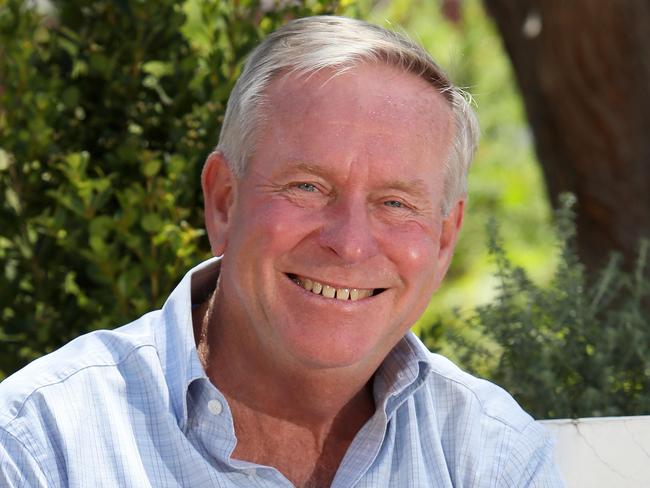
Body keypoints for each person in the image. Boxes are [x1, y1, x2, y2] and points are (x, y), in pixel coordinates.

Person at [0, 15, 563, 488]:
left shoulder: (493, 457)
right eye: (308, 187)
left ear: (443, 239)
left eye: (395, 203)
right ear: (223, 201)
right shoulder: (41, 445)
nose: (348, 243)